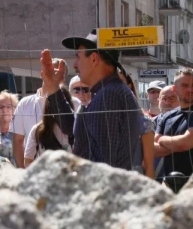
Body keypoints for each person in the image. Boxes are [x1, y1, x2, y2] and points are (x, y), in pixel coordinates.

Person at [39, 32, 142, 173]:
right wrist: (53, 89)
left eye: (78, 57)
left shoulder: (108, 96)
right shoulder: (107, 92)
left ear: (94, 59)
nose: (75, 64)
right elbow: (75, 130)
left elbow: (103, 164)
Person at [154, 67, 193, 184]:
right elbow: (154, 150)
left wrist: (162, 139)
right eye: (184, 85)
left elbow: (186, 143)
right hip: (168, 183)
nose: (190, 89)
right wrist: (177, 144)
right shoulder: (167, 116)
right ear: (175, 89)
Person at [24, 88, 73, 166]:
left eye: (63, 104)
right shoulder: (37, 130)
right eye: (56, 104)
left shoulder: (78, 127)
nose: (59, 109)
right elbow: (28, 161)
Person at [0, 90, 18, 161]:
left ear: (15, 110)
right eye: (1, 107)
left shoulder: (21, 134)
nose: (5, 110)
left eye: (9, 107)